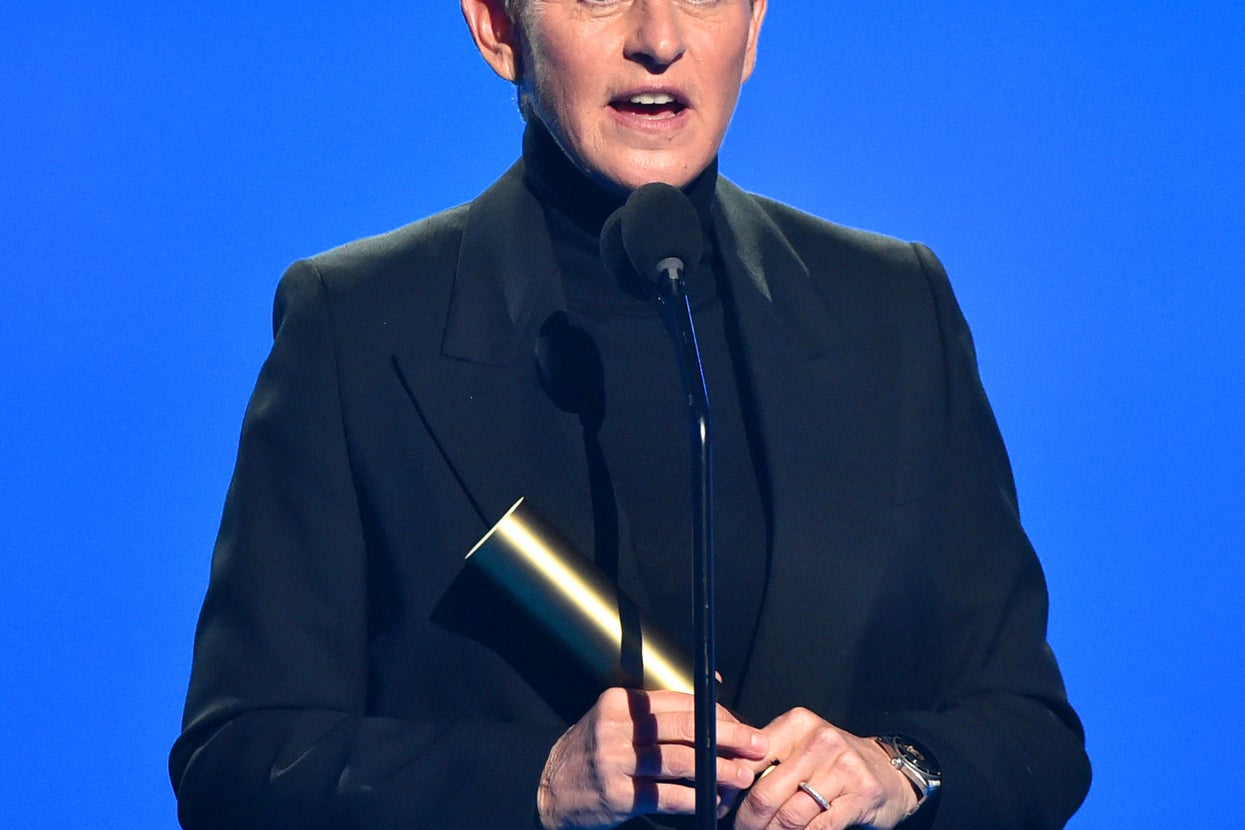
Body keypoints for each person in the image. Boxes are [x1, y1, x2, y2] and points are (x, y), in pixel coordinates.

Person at [170, 1, 1091, 828]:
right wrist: (536, 783)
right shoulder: (358, 326)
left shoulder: (894, 309)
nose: (658, 39)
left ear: (756, 26)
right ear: (498, 29)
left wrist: (897, 772)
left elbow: (1029, 729)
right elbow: (237, 766)